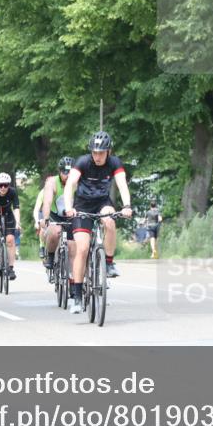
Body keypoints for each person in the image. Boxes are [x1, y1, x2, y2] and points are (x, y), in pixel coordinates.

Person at [64, 131, 132, 314]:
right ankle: (77, 296)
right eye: (95, 152)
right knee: (83, 249)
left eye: (101, 152)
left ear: (109, 152)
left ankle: (108, 262)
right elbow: (70, 184)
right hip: (82, 205)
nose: (98, 156)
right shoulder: (83, 162)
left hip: (102, 203)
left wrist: (126, 206)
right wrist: (69, 207)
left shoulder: (114, 163)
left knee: (109, 221)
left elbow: (122, 185)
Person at [39, 157, 76, 271]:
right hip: (55, 214)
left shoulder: (78, 182)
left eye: (71, 172)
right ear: (60, 172)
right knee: (54, 232)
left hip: (72, 215)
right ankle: (50, 257)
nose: (68, 175)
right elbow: (47, 202)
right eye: (65, 172)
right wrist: (45, 218)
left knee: (75, 242)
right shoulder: (52, 182)